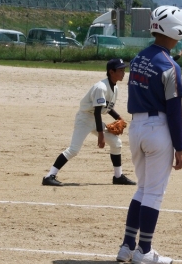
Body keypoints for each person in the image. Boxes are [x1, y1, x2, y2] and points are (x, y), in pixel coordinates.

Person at [116, 5, 182, 264]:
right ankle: (144, 250)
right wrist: (180, 148)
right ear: (175, 30)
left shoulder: (138, 58)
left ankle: (127, 246)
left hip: (136, 127)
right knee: (154, 193)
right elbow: (174, 110)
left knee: (143, 189)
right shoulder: (170, 66)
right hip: (158, 129)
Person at [42, 58, 137, 186]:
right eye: (120, 70)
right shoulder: (101, 87)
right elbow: (97, 112)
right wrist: (101, 136)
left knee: (116, 143)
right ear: (111, 72)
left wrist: (119, 118)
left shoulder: (115, 87)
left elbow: (106, 106)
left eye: (123, 70)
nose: (123, 73)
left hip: (95, 119)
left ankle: (118, 176)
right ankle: (49, 176)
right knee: (74, 149)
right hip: (85, 118)